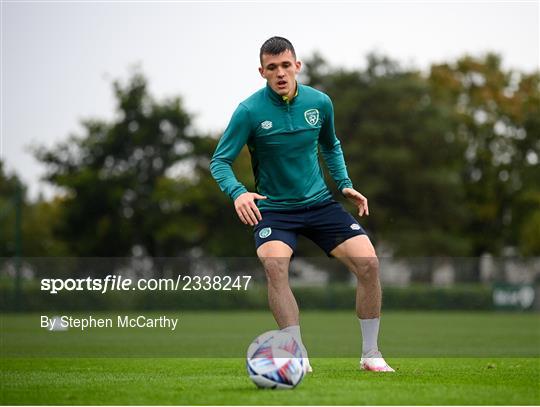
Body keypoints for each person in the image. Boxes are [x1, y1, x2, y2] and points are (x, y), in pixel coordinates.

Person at [210, 36, 394, 373]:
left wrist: (345, 184)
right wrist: (238, 192)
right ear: (261, 71)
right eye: (271, 68)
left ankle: (371, 354)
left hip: (321, 204)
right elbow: (219, 161)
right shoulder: (249, 111)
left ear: (297, 65)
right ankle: (296, 353)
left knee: (369, 264)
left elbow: (331, 145)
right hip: (275, 209)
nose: (280, 73)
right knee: (275, 266)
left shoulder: (320, 102)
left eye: (285, 65)